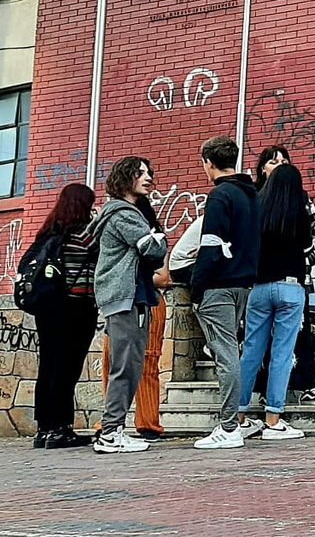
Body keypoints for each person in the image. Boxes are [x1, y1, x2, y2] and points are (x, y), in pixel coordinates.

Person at [89, 157, 168, 453]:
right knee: (127, 366)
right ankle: (111, 433)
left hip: (126, 296)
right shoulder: (125, 214)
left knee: (128, 365)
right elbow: (154, 250)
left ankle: (114, 429)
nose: (148, 177)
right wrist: (158, 238)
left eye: (150, 172)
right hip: (128, 297)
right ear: (125, 178)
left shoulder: (119, 213)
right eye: (140, 173)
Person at [190, 136, 261, 450]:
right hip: (244, 284)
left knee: (226, 355)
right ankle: (235, 423)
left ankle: (229, 426)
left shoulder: (220, 196)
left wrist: (197, 286)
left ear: (208, 162)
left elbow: (210, 245)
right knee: (232, 352)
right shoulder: (253, 195)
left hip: (218, 284)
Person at [235, 163, 312, 441]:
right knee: (282, 353)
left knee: (251, 351)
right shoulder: (298, 213)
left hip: (259, 288)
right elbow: (307, 247)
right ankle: (273, 419)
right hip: (290, 287)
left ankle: (239, 416)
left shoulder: (258, 210)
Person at [253, 145, 315, 406]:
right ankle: (266, 393)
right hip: (263, 279)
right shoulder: (256, 197)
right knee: (262, 340)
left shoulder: (302, 198)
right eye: (273, 162)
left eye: (285, 161)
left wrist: (303, 258)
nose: (280, 165)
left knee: (303, 333)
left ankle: (307, 385)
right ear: (263, 168)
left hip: (298, 278)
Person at [28, 184, 99, 449]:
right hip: (76, 306)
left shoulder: (47, 234)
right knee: (67, 368)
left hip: (47, 308)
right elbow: (103, 252)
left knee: (48, 366)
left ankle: (44, 429)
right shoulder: (83, 235)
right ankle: (61, 429)